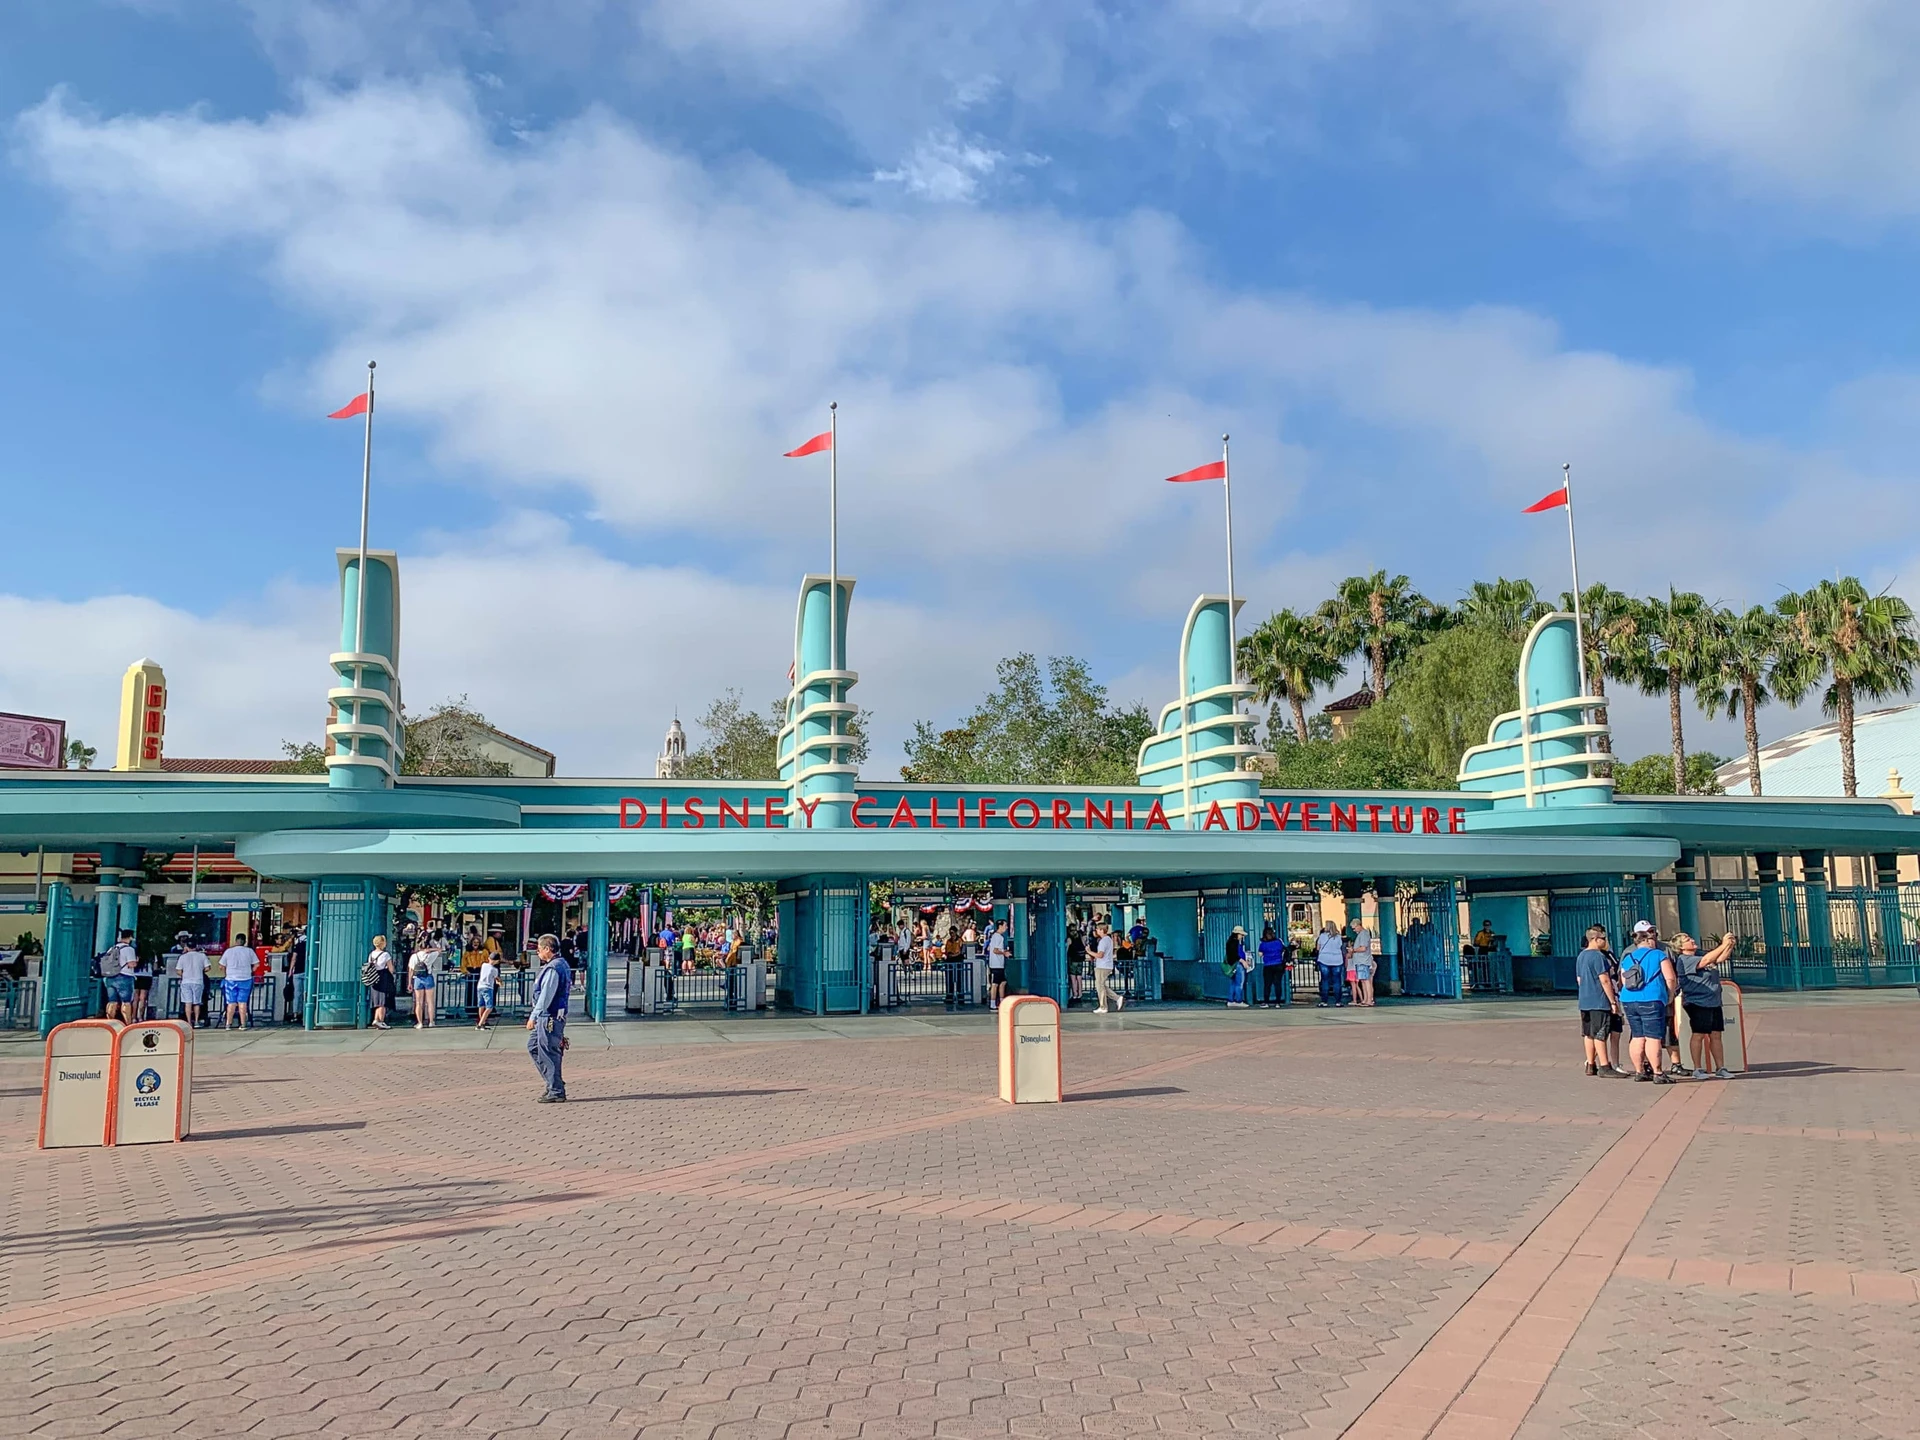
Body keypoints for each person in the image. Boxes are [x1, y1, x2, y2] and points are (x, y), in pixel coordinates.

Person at [1617, 921, 1680, 1083]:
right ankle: (1658, 1073)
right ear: (1647, 940)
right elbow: (1670, 978)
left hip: (1629, 999)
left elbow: (1624, 980)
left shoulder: (1627, 957)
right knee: (1653, 1037)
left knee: (1637, 1036)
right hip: (1652, 998)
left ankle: (1639, 1071)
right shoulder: (1658, 954)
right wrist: (1670, 995)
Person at [1673, 931, 1735, 1078]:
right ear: (1681, 947)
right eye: (1688, 939)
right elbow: (1707, 960)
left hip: (1713, 1001)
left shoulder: (1698, 955)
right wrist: (1723, 944)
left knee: (1716, 1034)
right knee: (1699, 1034)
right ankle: (1697, 1068)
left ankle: (1721, 1068)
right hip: (1697, 1002)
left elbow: (1718, 958)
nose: (1692, 940)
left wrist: (1729, 946)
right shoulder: (1685, 960)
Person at [525, 933, 572, 1102]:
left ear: (547, 949)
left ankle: (556, 1089)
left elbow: (546, 995)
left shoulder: (554, 968)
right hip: (549, 1016)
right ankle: (553, 1082)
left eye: (539, 950)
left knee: (548, 1052)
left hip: (549, 1017)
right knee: (534, 1046)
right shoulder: (560, 964)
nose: (537, 953)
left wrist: (533, 1016)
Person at [1574, 925, 1618, 1077]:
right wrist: (1612, 1001)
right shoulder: (1598, 956)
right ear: (1595, 939)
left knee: (1588, 1033)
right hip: (1599, 1000)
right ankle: (1605, 1066)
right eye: (1603, 939)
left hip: (1584, 1000)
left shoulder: (1581, 956)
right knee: (1600, 1033)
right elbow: (1605, 980)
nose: (1606, 942)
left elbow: (1579, 979)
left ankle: (1590, 1064)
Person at [218, 932, 258, 1030]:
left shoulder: (228, 951)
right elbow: (256, 965)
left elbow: (221, 966)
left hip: (230, 979)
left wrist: (227, 973)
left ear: (236, 941)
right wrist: (250, 972)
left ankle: (228, 1024)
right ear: (245, 941)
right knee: (242, 1002)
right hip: (245, 979)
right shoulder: (249, 951)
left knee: (231, 1002)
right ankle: (243, 1024)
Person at [100, 929, 139, 1022]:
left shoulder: (112, 948)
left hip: (110, 977)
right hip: (124, 976)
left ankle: (110, 1022)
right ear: (130, 937)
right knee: (126, 1002)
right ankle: (128, 1023)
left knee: (112, 1001)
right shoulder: (129, 949)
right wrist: (136, 961)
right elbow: (131, 964)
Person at [176, 935, 209, 1029]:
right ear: (196, 946)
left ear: (187, 946)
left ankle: (189, 1022)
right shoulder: (202, 956)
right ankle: (197, 1021)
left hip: (186, 981)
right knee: (197, 1002)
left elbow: (178, 971)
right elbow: (207, 968)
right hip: (198, 981)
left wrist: (185, 974)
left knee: (187, 1002)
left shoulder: (182, 957)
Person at [366, 933, 397, 1029]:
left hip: (374, 978)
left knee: (376, 1000)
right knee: (383, 1001)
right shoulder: (385, 954)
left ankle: (376, 1019)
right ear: (382, 943)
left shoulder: (371, 954)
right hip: (384, 977)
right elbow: (391, 968)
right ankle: (381, 1021)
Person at [409, 933, 439, 1028]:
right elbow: (440, 950)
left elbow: (411, 970)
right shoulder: (430, 956)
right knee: (430, 1002)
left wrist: (409, 982)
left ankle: (420, 1023)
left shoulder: (414, 956)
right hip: (428, 977)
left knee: (418, 1002)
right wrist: (430, 950)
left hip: (417, 978)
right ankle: (431, 1022)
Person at [1093, 920, 1124, 1012]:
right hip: (1107, 965)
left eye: (1098, 929)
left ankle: (1103, 1006)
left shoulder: (1103, 941)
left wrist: (1089, 951)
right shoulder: (1109, 940)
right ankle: (1117, 998)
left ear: (1102, 930)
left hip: (1102, 966)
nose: (1096, 931)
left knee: (1099, 986)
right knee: (1101, 985)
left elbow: (1100, 955)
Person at [1314, 921, 1346, 1007]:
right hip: (1337, 960)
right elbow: (1340, 946)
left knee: (1325, 981)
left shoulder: (1322, 936)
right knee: (1337, 981)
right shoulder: (1338, 937)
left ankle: (1324, 1001)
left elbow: (1318, 947)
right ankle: (1338, 1001)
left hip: (1324, 959)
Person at [1349, 919, 1377, 1007]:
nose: (1354, 930)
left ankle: (1369, 1000)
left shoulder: (1364, 934)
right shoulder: (1361, 934)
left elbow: (1363, 948)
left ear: (1358, 925)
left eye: (1354, 928)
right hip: (1360, 961)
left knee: (1366, 980)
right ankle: (1365, 999)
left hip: (1363, 961)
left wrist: (1353, 950)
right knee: (1363, 981)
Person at [1258, 924, 1287, 1007]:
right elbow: (1283, 950)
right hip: (1278, 964)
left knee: (1267, 984)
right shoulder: (1278, 942)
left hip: (1268, 965)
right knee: (1277, 984)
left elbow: (1260, 954)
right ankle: (1278, 1003)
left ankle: (1266, 1002)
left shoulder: (1263, 944)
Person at [476, 943, 500, 1030]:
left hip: (480, 986)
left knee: (481, 1005)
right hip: (488, 987)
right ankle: (480, 1023)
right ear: (497, 961)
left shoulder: (483, 965)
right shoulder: (494, 969)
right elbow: (496, 978)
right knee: (489, 1007)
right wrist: (499, 982)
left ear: (489, 958)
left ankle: (482, 1022)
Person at [986, 919, 1008, 1011]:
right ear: (1001, 926)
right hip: (996, 964)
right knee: (995, 984)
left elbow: (989, 948)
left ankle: (1001, 1003)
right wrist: (1004, 953)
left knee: (1002, 983)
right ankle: (993, 1003)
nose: (1006, 927)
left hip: (998, 964)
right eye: (1005, 925)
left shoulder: (994, 936)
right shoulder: (999, 937)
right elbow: (995, 950)